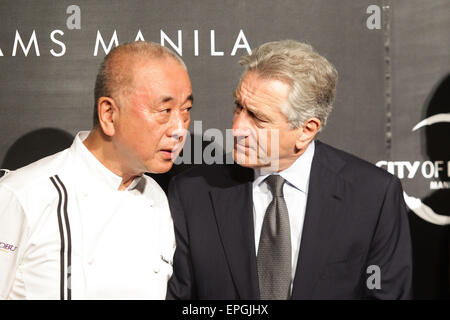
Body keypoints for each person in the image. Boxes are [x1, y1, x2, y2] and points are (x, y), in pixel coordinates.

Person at [166, 40, 412, 300]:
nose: (237, 128)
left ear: (306, 130)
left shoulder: (373, 196)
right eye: (238, 107)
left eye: (257, 118)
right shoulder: (193, 193)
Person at [0, 41, 193, 299]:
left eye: (186, 111)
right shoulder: (22, 195)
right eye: (164, 111)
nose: (179, 129)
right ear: (109, 114)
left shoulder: (157, 199)